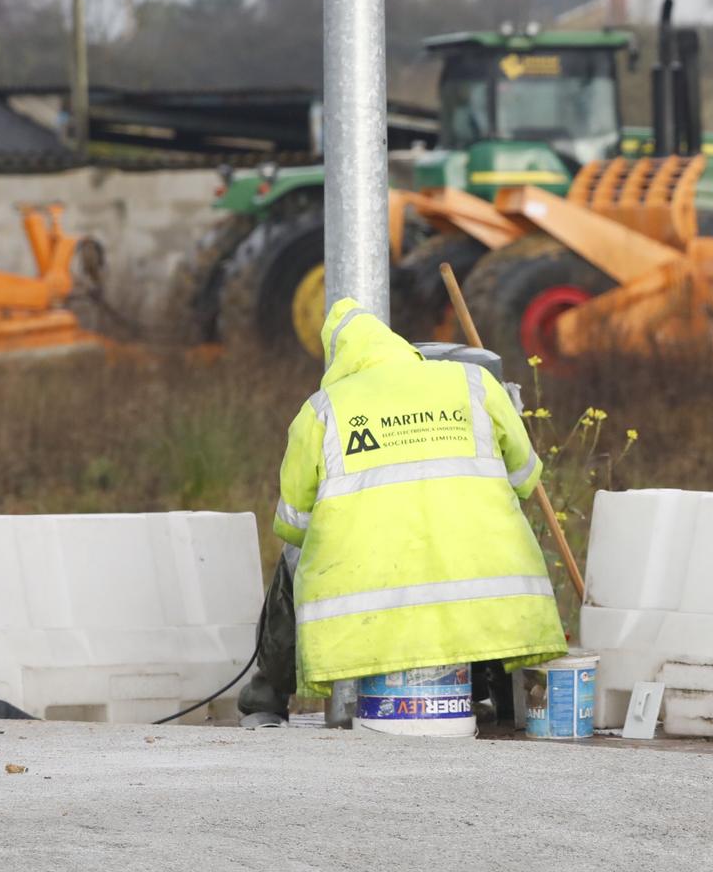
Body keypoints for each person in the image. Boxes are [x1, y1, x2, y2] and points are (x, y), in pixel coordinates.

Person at [238, 298, 565, 725]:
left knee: (294, 562)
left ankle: (264, 702)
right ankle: (500, 701)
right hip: (484, 586)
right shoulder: (474, 382)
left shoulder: (322, 409)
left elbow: (295, 523)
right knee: (488, 552)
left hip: (372, 594)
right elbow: (524, 476)